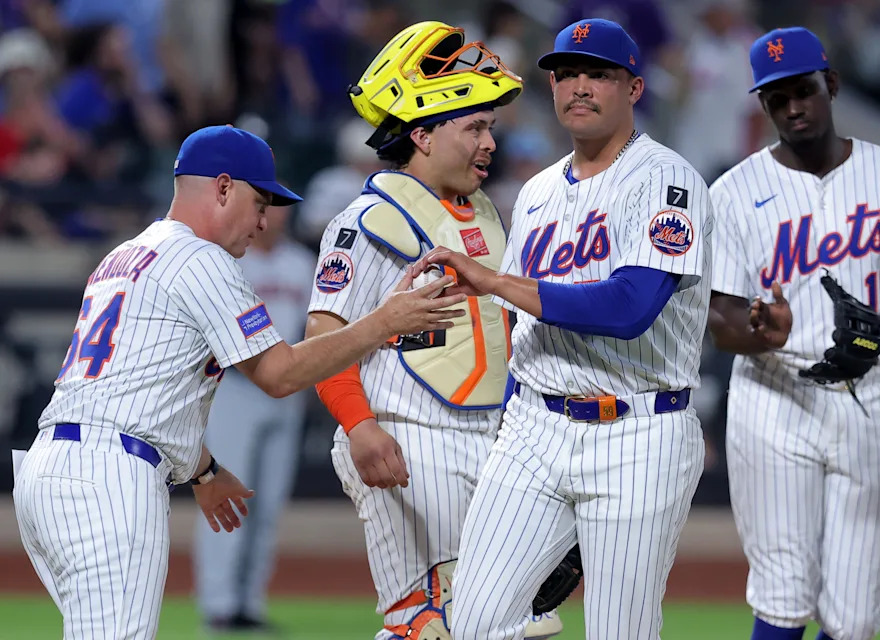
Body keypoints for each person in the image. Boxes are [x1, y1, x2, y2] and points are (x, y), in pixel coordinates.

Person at [12, 124, 465, 640]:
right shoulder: (201, 257)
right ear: (224, 188)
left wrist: (204, 472)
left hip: (50, 469)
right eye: (260, 201)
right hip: (106, 478)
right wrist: (384, 321)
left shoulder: (128, 253)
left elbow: (134, 389)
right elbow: (278, 373)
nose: (264, 219)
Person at [420, 18, 715, 640]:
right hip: (534, 428)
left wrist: (495, 281)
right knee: (473, 623)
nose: (578, 86)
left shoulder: (667, 180)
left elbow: (629, 309)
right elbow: (522, 317)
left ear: (633, 89)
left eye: (597, 74)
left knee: (619, 632)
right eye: (566, 74)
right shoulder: (535, 192)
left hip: (639, 431)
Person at [305, 21, 561, 640]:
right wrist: (360, 427)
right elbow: (321, 337)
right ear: (421, 134)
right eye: (473, 127)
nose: (489, 143)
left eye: (490, 128)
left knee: (506, 626)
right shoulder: (369, 219)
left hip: (491, 440)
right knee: (427, 623)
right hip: (408, 438)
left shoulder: (489, 213)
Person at [707, 27, 880, 640]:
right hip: (773, 400)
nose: (793, 107)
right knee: (784, 596)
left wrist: (876, 336)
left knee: (856, 617)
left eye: (804, 91)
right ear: (763, 105)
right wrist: (761, 332)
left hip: (866, 401)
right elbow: (720, 318)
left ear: (831, 85)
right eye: (777, 97)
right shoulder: (733, 193)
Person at [192, 203, 316, 632]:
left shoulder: (303, 264)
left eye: (281, 210)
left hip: (287, 390)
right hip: (234, 390)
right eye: (268, 208)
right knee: (227, 498)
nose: (275, 217)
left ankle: (249, 602)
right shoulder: (228, 263)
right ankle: (219, 603)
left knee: (267, 503)